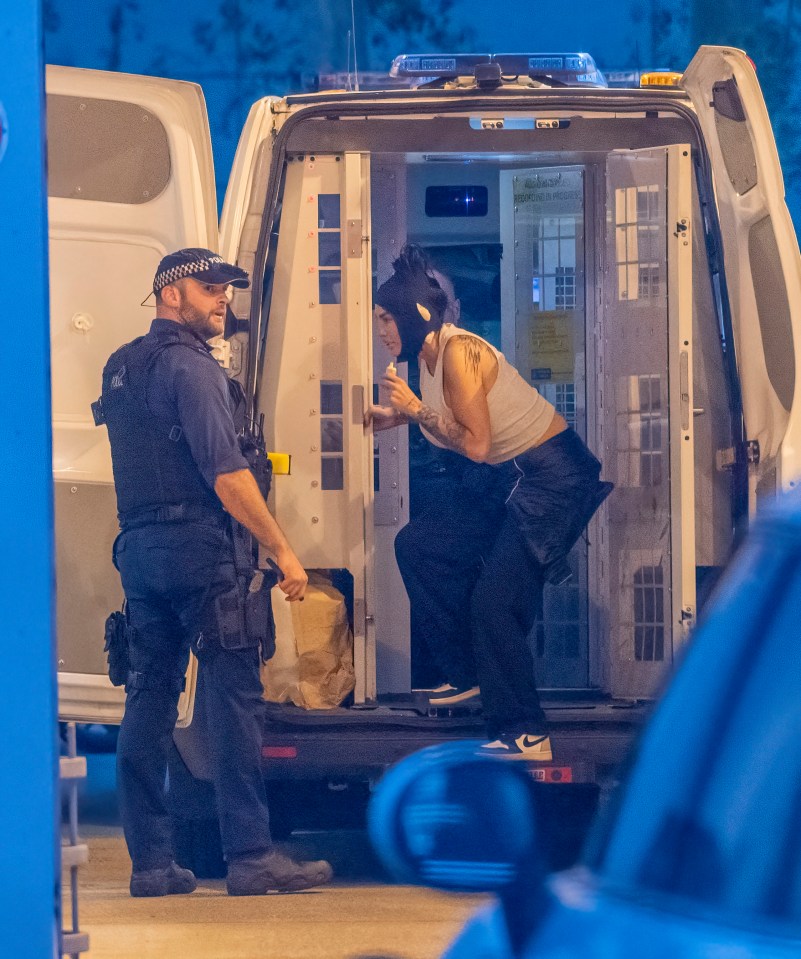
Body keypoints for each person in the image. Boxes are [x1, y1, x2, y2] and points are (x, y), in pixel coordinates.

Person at [94, 248, 333, 896]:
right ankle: (251, 857)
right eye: (208, 288)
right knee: (233, 703)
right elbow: (227, 476)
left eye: (226, 289)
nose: (221, 300)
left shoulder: (123, 367)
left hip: (140, 550)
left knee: (148, 699)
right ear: (170, 294)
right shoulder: (189, 368)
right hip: (200, 550)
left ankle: (151, 864)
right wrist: (283, 551)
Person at [365, 245, 612, 761]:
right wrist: (403, 417)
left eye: (387, 320)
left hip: (552, 481)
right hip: (510, 479)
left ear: (416, 317)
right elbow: (462, 430)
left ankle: (528, 732)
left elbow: (474, 445)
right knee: (418, 546)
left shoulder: (458, 353)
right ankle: (471, 676)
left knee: (494, 601)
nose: (382, 331)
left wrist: (415, 411)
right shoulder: (427, 357)